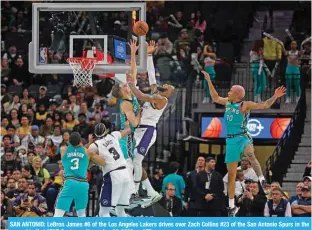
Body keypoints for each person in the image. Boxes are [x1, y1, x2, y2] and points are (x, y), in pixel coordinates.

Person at [201, 70, 286, 216]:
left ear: (237, 94)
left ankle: (263, 182)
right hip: (230, 140)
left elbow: (264, 105)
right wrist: (208, 80)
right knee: (232, 174)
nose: (228, 92)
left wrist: (275, 96)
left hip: (242, 136)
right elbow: (214, 97)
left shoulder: (244, 105)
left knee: (250, 154)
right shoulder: (227, 102)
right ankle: (231, 206)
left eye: (231, 91)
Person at [127, 40, 175, 205]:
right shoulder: (157, 92)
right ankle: (150, 191)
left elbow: (141, 96)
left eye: (168, 86)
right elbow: (151, 75)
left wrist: (130, 85)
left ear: (168, 93)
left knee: (136, 161)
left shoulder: (161, 100)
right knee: (132, 161)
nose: (166, 84)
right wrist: (149, 55)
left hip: (147, 131)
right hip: (139, 129)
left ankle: (134, 194)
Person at [53, 132, 106, 217]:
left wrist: (88, 144)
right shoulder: (88, 152)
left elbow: (76, 150)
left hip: (70, 182)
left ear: (69, 141)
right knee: (81, 214)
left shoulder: (64, 149)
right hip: (83, 184)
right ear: (80, 141)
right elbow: (103, 162)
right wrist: (90, 145)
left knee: (58, 214)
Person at [88, 122, 132, 217]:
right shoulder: (113, 135)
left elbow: (88, 165)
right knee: (121, 211)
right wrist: (127, 124)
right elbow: (128, 131)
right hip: (125, 173)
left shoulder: (94, 145)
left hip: (113, 175)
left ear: (94, 134)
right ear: (106, 131)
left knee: (103, 212)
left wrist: (89, 142)